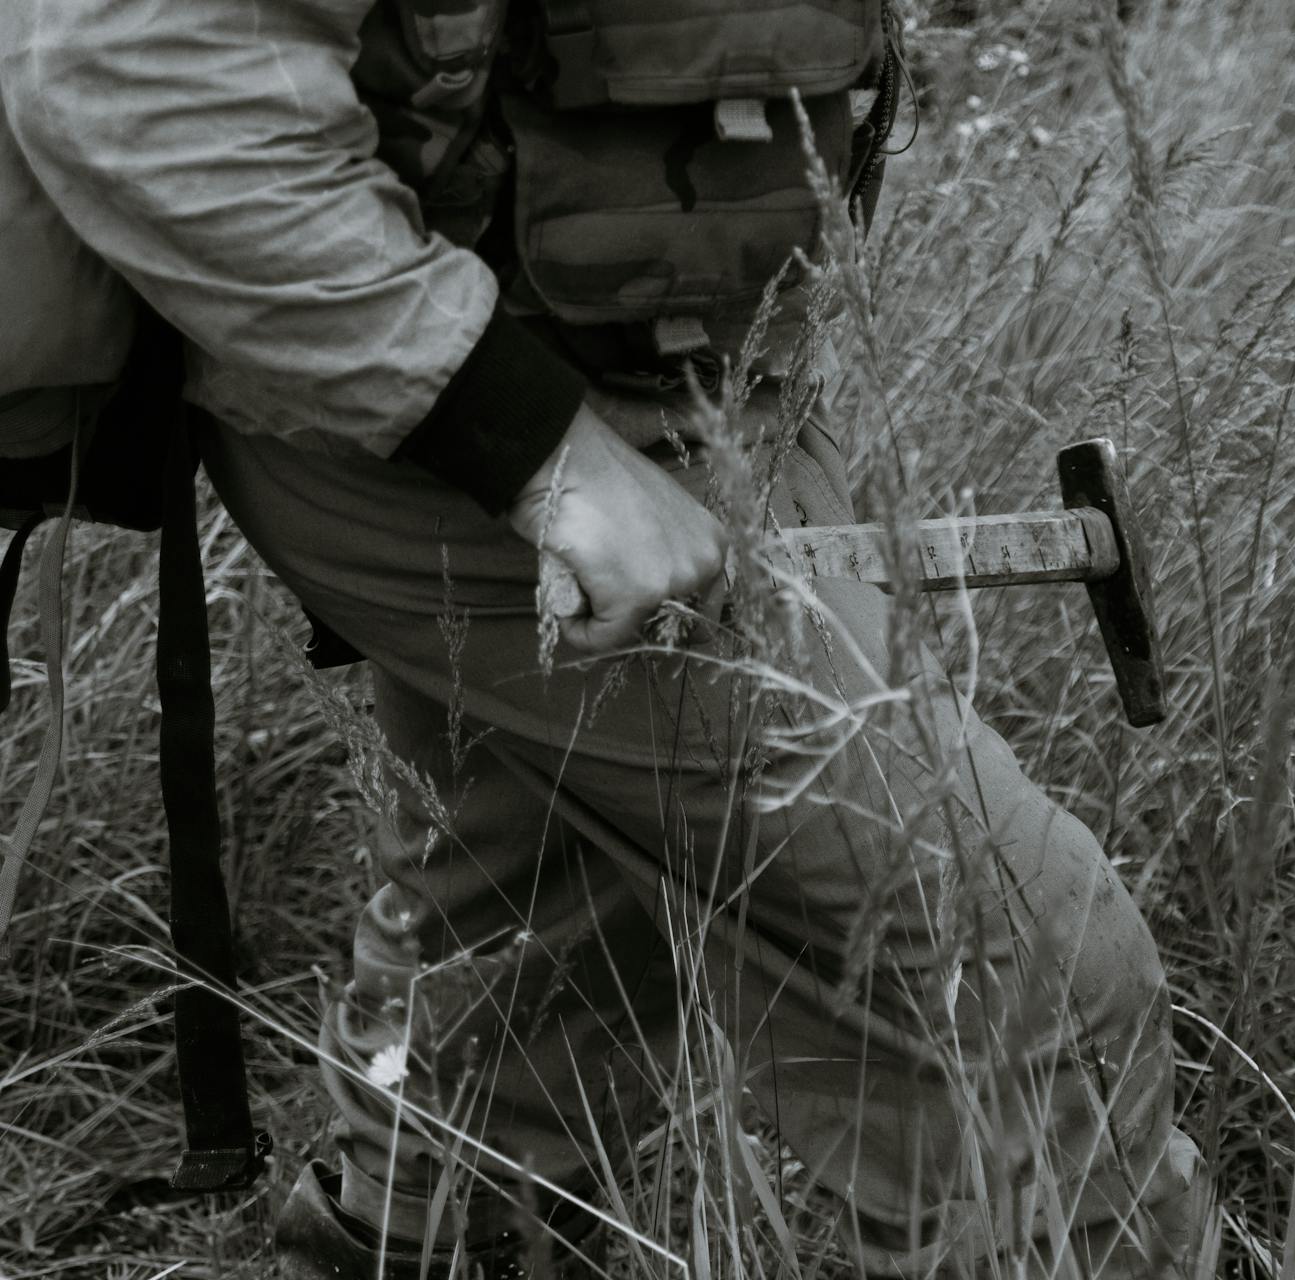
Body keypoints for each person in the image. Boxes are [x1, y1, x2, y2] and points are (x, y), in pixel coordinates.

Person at [0, 2, 1212, 1276]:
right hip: (446, 407)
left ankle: (427, 1239)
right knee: (1011, 961)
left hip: (695, 376)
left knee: (541, 928)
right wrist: (542, 458)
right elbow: (130, 71)